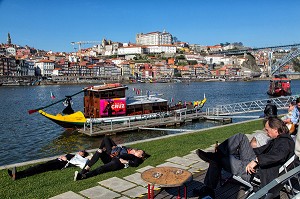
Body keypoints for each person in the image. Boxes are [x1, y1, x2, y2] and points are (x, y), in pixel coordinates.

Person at [194, 117, 295, 198]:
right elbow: (261, 150)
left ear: (276, 130)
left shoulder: (285, 143)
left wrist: (256, 160)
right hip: (257, 165)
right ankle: (217, 153)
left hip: (257, 172)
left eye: (267, 129)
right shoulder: (280, 140)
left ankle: (208, 188)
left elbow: (277, 156)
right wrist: (240, 153)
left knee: (219, 159)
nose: (265, 131)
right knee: (240, 137)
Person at [74, 136, 150, 181]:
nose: (137, 150)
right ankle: (85, 170)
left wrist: (125, 161)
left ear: (140, 156)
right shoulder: (130, 150)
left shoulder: (136, 158)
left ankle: (83, 176)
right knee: (99, 151)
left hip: (116, 161)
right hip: (113, 156)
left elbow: (135, 164)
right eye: (137, 150)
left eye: (139, 151)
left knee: (101, 168)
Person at [7, 150, 91, 180]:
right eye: (81, 150)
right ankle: (17, 175)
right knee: (39, 167)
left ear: (83, 154)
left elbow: (81, 163)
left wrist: (66, 159)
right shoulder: (74, 155)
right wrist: (61, 157)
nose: (80, 151)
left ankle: (17, 175)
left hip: (59, 164)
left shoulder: (80, 158)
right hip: (56, 161)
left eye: (82, 151)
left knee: (40, 168)